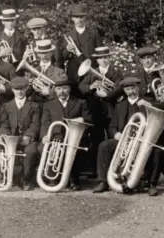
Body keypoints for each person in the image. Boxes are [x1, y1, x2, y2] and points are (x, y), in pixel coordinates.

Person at [93, 76, 160, 196]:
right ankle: (103, 181)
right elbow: (112, 126)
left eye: (133, 88)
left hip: (143, 139)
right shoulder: (120, 105)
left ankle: (151, 183)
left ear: (138, 88)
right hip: (124, 140)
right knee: (104, 146)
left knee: (156, 150)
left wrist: (149, 105)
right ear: (124, 91)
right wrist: (116, 133)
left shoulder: (148, 100)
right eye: (128, 89)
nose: (131, 92)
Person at [39, 74, 92, 190]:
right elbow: (45, 123)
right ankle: (53, 177)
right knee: (49, 148)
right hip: (56, 137)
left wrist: (81, 119)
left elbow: (88, 119)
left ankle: (73, 178)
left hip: (74, 138)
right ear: (54, 90)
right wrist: (45, 136)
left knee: (76, 150)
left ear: (69, 89)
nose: (61, 91)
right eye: (58, 89)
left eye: (64, 88)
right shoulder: (48, 105)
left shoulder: (80, 102)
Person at [78, 46, 122, 174]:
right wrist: (91, 86)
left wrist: (107, 94)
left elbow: (119, 87)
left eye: (106, 57)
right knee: (96, 139)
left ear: (109, 58)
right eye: (101, 58)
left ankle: (114, 168)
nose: (103, 60)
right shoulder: (92, 72)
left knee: (112, 137)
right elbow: (81, 87)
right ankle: (96, 170)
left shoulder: (116, 72)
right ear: (97, 60)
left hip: (111, 110)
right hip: (96, 111)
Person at [0, 77, 41, 190]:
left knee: (31, 151)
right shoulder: (6, 106)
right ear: (12, 90)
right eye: (16, 89)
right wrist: (5, 135)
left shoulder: (34, 106)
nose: (19, 92)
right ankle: (5, 177)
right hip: (11, 139)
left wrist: (29, 136)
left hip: (27, 139)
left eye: (22, 89)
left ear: (27, 88)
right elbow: (4, 124)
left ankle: (25, 180)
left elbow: (35, 124)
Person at [63, 5, 103, 83]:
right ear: (72, 18)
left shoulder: (94, 33)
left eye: (82, 17)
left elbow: (101, 53)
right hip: (74, 72)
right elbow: (63, 57)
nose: (79, 20)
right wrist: (67, 50)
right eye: (77, 17)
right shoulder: (68, 35)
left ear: (85, 18)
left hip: (91, 69)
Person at [22, 40, 65, 104]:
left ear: (51, 53)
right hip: (36, 104)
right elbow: (26, 93)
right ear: (38, 54)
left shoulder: (60, 72)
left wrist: (49, 92)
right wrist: (28, 85)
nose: (44, 55)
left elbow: (64, 91)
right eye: (42, 53)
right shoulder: (32, 71)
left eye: (47, 52)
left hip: (53, 104)